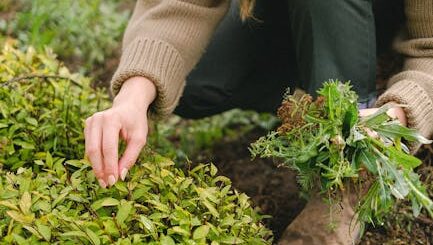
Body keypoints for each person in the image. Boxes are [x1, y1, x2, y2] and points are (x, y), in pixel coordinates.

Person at [84, 0, 432, 243]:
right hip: (297, 14)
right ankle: (315, 105)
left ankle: (348, 172)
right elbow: (181, 4)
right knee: (195, 77)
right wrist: (132, 97)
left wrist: (398, 111)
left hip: (382, 23)